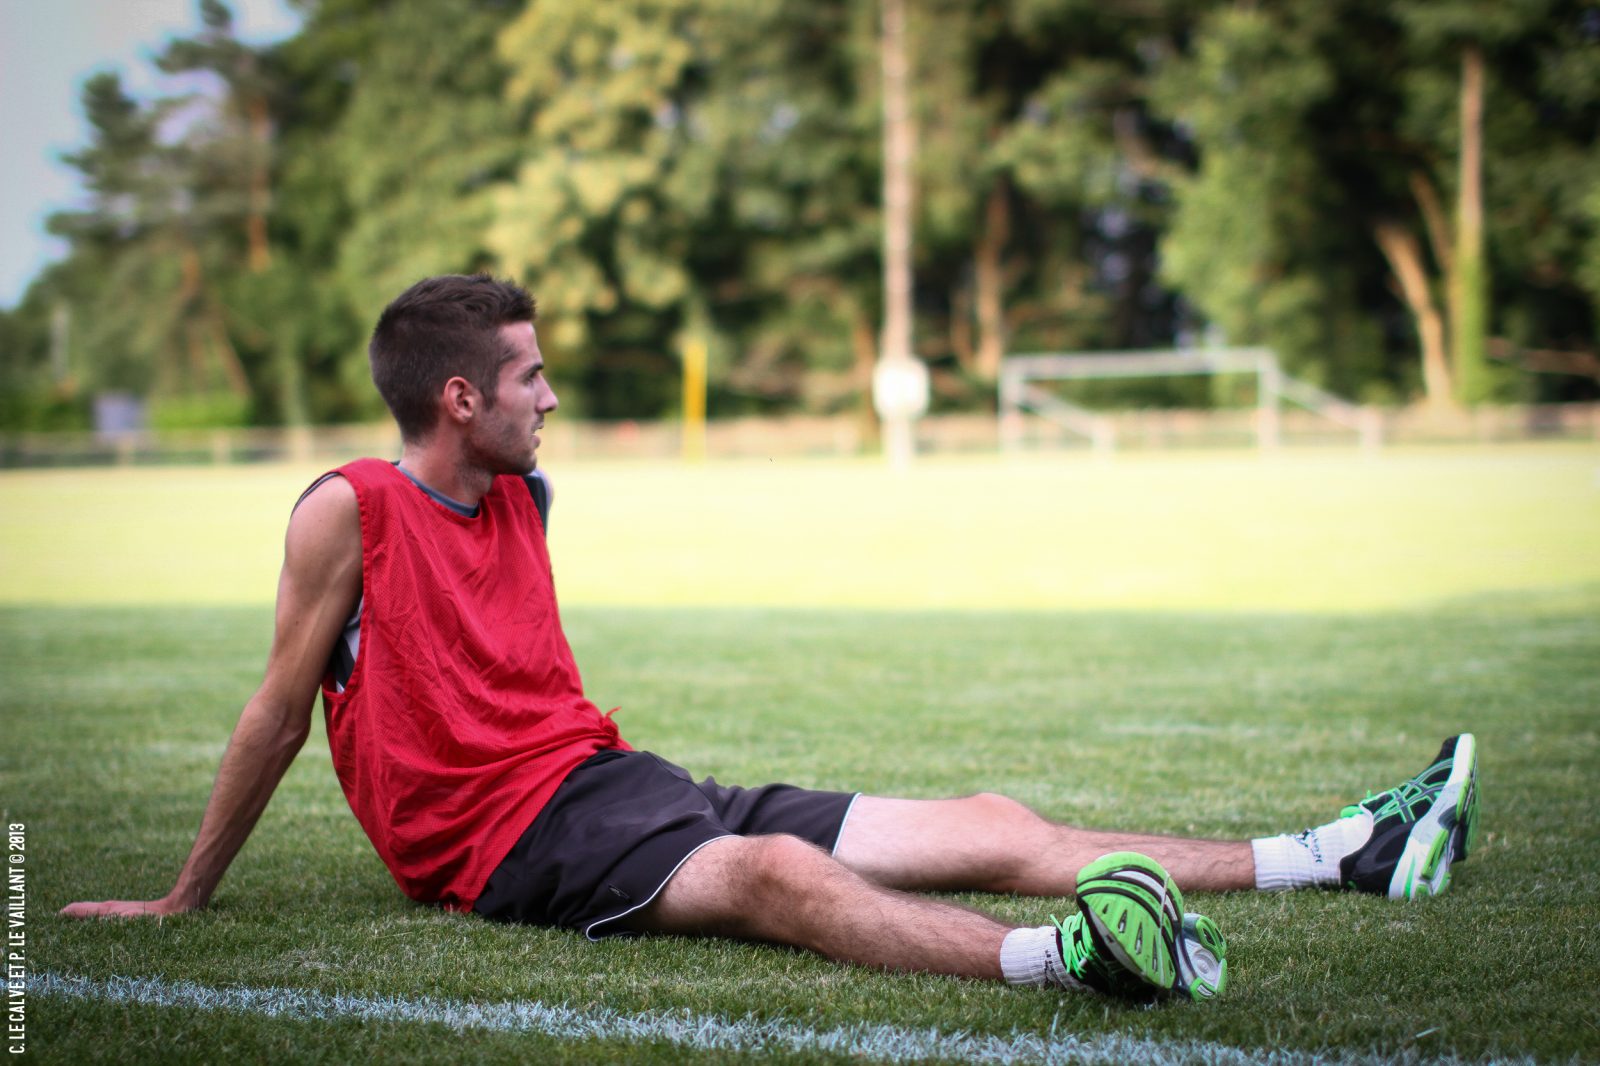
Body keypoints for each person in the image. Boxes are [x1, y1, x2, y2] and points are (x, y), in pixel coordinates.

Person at [61, 274, 1482, 1003]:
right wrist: (184, 898)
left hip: (606, 783)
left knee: (990, 820)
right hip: (502, 843)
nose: (550, 397)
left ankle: (1341, 852)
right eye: (530, 376)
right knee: (774, 876)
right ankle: (1071, 962)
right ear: (457, 398)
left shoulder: (521, 496)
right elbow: (278, 712)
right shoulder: (348, 510)